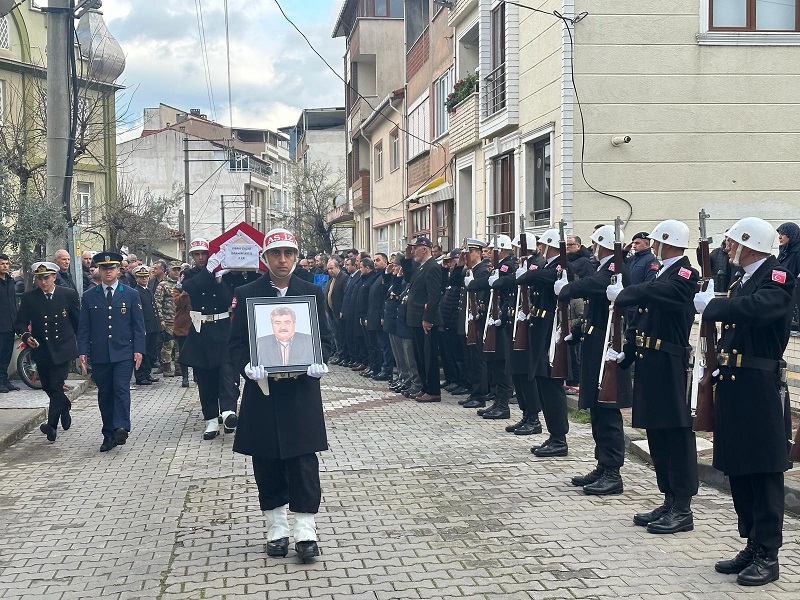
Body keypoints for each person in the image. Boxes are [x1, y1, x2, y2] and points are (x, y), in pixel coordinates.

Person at [694, 217, 795, 587]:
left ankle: (768, 555)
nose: (726, 247)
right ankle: (752, 543)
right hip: (735, 384)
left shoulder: (776, 277)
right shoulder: (742, 280)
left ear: (749, 244)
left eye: (731, 241)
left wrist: (714, 306)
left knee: (764, 471)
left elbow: (760, 310)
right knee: (739, 467)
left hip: (759, 385)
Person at [228, 227, 332, 563]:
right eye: (276, 254)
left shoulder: (311, 293)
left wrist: (319, 360)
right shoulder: (245, 293)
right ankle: (276, 527)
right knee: (267, 459)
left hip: (301, 391)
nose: (282, 260)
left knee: (303, 461)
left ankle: (305, 529)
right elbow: (235, 345)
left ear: (297, 256)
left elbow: (326, 339)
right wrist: (247, 366)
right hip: (264, 392)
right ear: (264, 258)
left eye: (288, 253)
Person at [609, 220, 699, 534]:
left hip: (670, 362)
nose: (651, 244)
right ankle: (669, 498)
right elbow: (643, 314)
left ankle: (683, 507)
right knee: (657, 434)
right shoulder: (660, 271)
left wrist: (626, 293)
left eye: (655, 240)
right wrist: (629, 349)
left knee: (676, 435)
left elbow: (661, 293)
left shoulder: (686, 273)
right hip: (651, 360)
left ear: (666, 242)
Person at [557, 225, 632, 495]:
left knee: (607, 408)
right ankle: (603, 464)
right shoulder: (604, 265)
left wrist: (570, 288)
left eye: (595, 244)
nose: (592, 248)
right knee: (596, 408)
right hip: (594, 340)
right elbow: (594, 305)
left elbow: (599, 287)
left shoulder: (617, 266)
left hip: (608, 344)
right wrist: (576, 331)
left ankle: (613, 471)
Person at [77, 252, 145, 452]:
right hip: (100, 354)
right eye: (104, 268)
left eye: (112, 268)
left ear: (118, 270)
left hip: (124, 351)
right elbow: (84, 327)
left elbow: (138, 326)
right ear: (99, 270)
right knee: (105, 394)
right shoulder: (90, 296)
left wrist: (139, 350)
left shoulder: (131, 294)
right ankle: (108, 434)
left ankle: (121, 427)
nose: (108, 271)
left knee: (121, 389)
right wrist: (82, 351)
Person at [516, 228, 572, 457]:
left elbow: (549, 278)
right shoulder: (548, 265)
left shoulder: (560, 265)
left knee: (551, 384)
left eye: (543, 245)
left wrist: (528, 274)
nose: (540, 248)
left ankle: (559, 437)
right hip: (540, 329)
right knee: (542, 382)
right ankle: (553, 435)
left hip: (551, 331)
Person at [178, 238, 238, 441]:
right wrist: (208, 271)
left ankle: (229, 411)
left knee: (226, 373)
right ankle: (211, 419)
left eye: (204, 253)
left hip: (222, 328)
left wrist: (219, 279)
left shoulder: (223, 273)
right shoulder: (190, 274)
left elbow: (227, 299)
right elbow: (192, 289)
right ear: (192, 257)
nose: (201, 257)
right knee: (205, 377)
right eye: (197, 254)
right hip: (201, 329)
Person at [15, 262, 80, 441]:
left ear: (54, 277)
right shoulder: (30, 297)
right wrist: (26, 336)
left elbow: (77, 322)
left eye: (46, 278)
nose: (43, 282)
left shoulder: (68, 294)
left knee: (56, 385)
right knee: (48, 386)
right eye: (39, 278)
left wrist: (82, 348)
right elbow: (20, 323)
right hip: (41, 349)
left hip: (63, 348)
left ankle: (51, 426)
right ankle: (65, 405)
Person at [401, 236, 443, 402]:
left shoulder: (432, 267)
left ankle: (433, 390)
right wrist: (407, 259)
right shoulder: (420, 267)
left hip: (425, 320)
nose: (413, 250)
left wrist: (428, 318)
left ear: (424, 249)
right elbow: (408, 278)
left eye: (415, 248)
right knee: (419, 356)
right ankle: (425, 387)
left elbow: (434, 296)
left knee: (429, 356)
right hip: (415, 318)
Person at [132, 265, 160, 385]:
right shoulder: (135, 292)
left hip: (152, 325)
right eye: (141, 277)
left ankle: (147, 374)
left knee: (150, 352)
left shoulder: (148, 290)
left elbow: (153, 308)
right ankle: (140, 376)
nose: (144, 279)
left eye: (146, 277)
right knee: (142, 352)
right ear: (136, 278)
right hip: (144, 327)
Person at [154, 262, 179, 377]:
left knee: (180, 346)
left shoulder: (182, 284)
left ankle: (179, 368)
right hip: (168, 319)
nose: (177, 272)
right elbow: (157, 302)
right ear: (169, 270)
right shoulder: (163, 285)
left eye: (178, 270)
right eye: (174, 270)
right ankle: (167, 368)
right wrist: (161, 319)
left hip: (179, 320)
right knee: (168, 345)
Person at [0, 254, 18, 393]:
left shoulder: (11, 281)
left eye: (7, 263)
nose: (5, 266)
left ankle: (5, 380)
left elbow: (13, 303)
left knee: (7, 355)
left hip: (10, 325)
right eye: (2, 264)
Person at [324, 258, 347, 364]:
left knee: (342, 335)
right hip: (331, 311)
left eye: (331, 268)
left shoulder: (343, 278)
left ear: (337, 267)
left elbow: (345, 296)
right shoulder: (331, 280)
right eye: (328, 269)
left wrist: (343, 309)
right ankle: (339, 354)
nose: (329, 271)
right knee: (336, 335)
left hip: (339, 311)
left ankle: (344, 355)